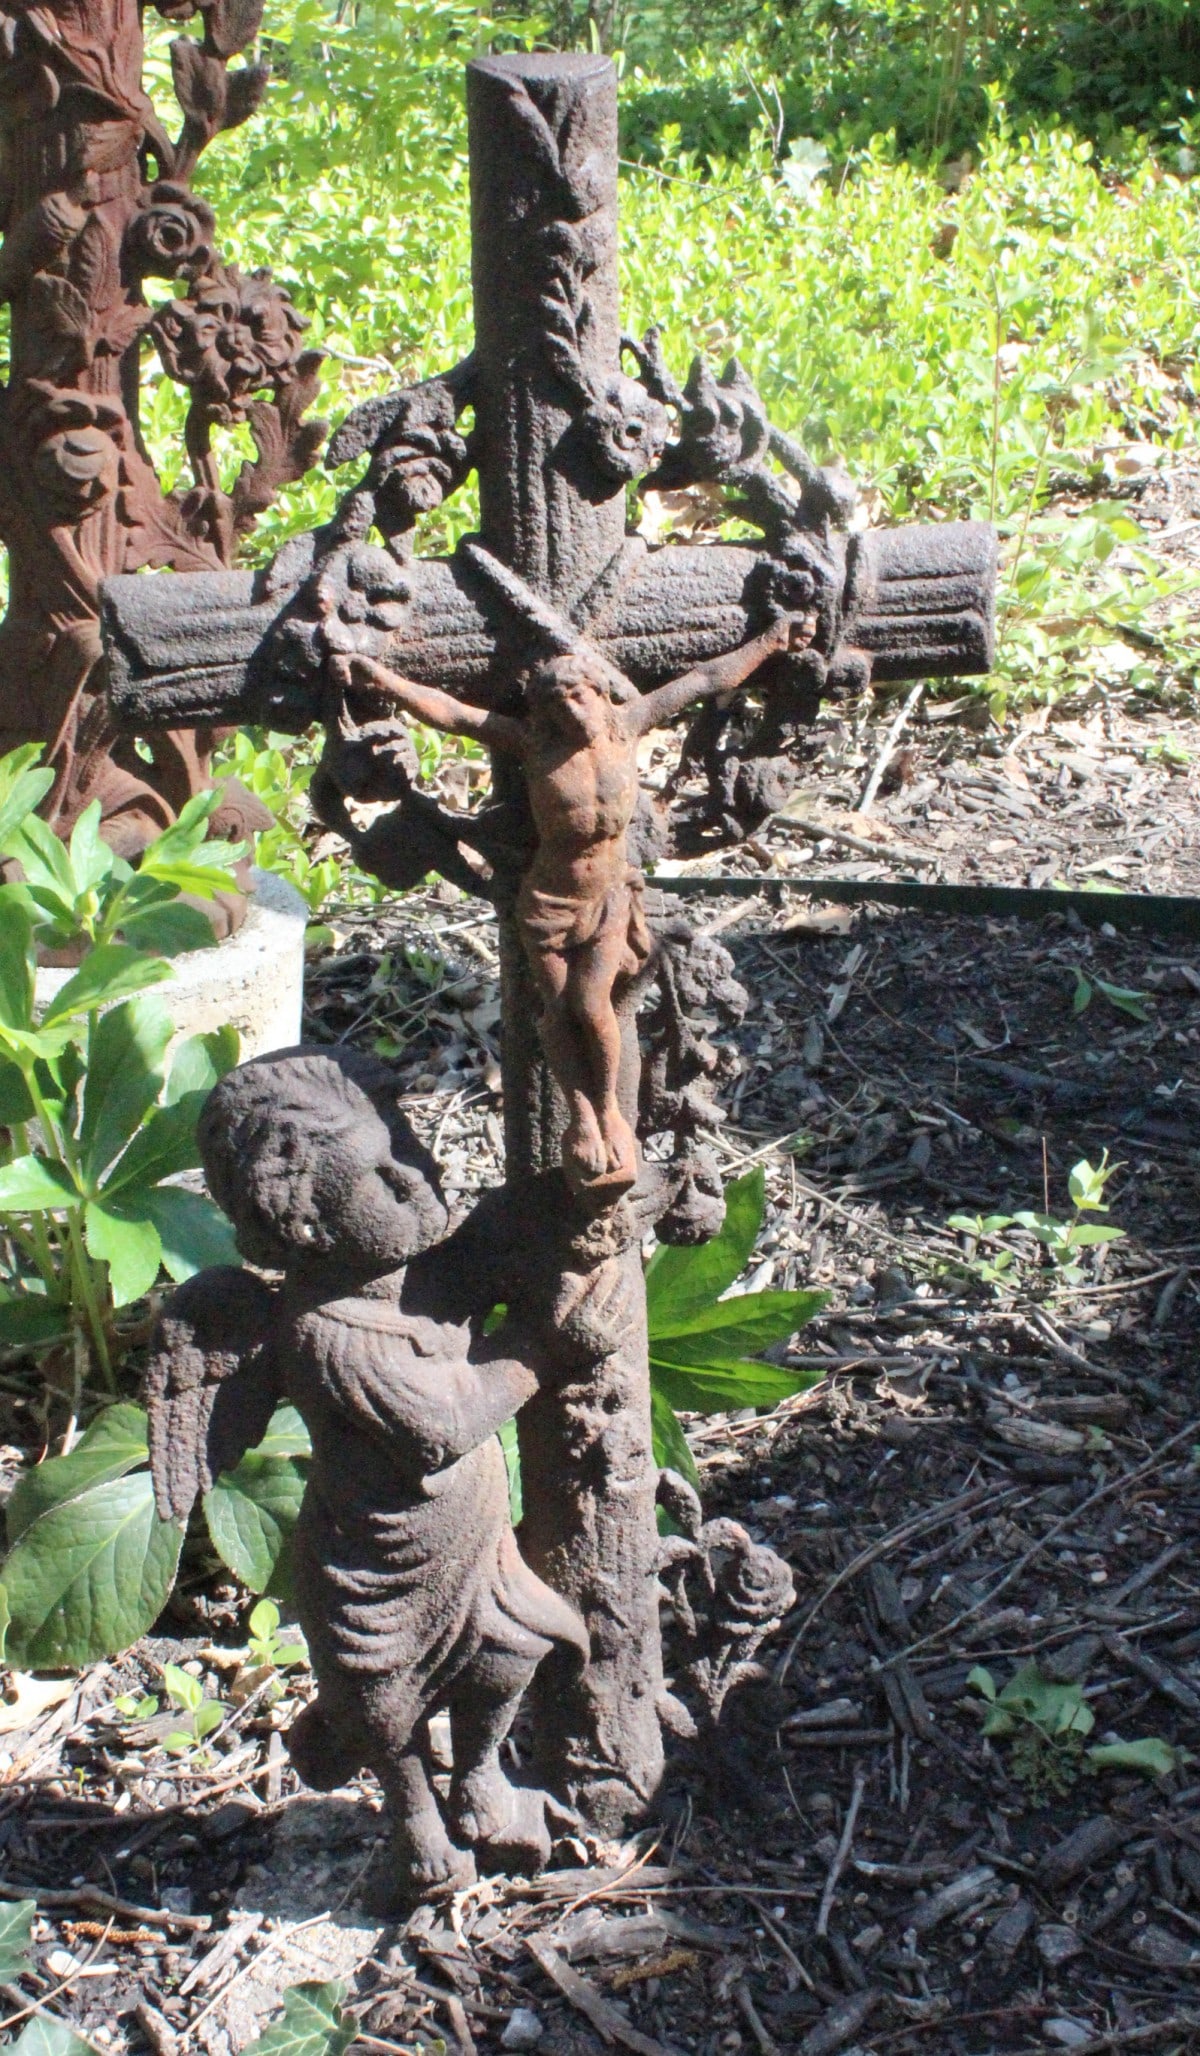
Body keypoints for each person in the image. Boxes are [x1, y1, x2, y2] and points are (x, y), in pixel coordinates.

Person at [145, 1046, 587, 1899]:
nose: (418, 1182)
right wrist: (537, 1351)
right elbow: (443, 1428)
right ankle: (415, 1817)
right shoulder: (329, 1334)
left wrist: (589, 1198)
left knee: (510, 1652)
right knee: (384, 1709)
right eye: (381, 1179)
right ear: (307, 1226)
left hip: (470, 1547)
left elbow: (486, 1245)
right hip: (377, 1566)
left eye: (409, 1149)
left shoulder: (410, 1274)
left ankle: (480, 1775)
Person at [336, 610, 812, 1195]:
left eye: (579, 694)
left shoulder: (628, 723)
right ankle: (581, 1116)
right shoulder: (533, 743)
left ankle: (609, 1109)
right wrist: (383, 680)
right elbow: (454, 713)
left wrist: (770, 641)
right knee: (558, 1013)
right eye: (557, 702)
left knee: (593, 1005)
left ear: (600, 693)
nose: (571, 709)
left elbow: (706, 679)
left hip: (609, 897)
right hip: (549, 901)